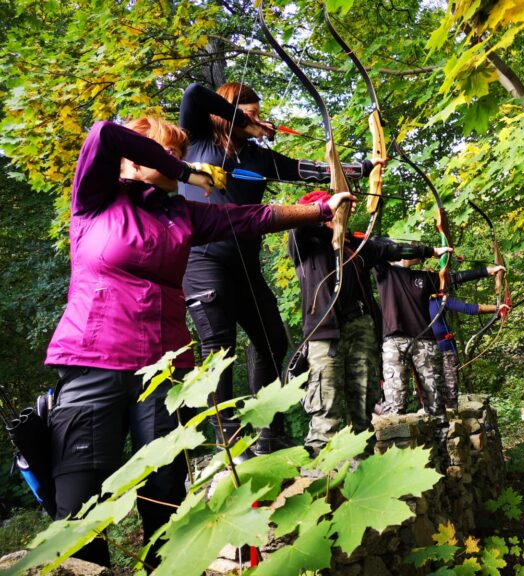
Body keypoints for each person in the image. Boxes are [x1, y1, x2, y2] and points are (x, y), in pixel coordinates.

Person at [45, 118, 353, 569]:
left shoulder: (181, 215)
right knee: (80, 507)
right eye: (167, 154)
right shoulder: (95, 199)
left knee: (166, 498)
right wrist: (187, 172)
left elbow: (252, 217)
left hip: (163, 370)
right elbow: (103, 134)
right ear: (133, 161)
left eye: (182, 155)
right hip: (94, 361)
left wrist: (322, 209)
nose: (179, 163)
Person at [178, 82, 379, 454]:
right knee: (218, 344)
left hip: (245, 265)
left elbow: (306, 170)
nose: (257, 120)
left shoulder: (256, 158)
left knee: (272, 338)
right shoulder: (197, 140)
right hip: (203, 260)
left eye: (257, 114)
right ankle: (227, 437)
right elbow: (193, 94)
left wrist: (364, 166)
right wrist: (245, 122)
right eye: (248, 113)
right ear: (228, 112)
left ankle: (265, 428)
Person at [287, 190, 452, 456]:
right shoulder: (305, 241)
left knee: (363, 405)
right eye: (335, 209)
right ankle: (322, 479)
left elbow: (392, 248)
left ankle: (363, 470)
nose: (344, 213)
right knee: (326, 406)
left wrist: (431, 250)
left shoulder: (357, 244)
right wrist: (325, 208)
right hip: (325, 332)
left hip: (361, 327)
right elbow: (298, 224)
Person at [374, 256, 505, 416]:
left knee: (445, 395)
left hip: (437, 348)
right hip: (408, 346)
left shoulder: (439, 298)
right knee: (406, 396)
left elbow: (463, 295)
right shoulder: (392, 278)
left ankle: (448, 423)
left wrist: (488, 273)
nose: (427, 274)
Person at [429, 295, 509, 409]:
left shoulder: (439, 299)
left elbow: (468, 308)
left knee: (451, 390)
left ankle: (451, 418)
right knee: (430, 391)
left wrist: (497, 308)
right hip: (424, 353)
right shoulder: (411, 300)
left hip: (446, 349)